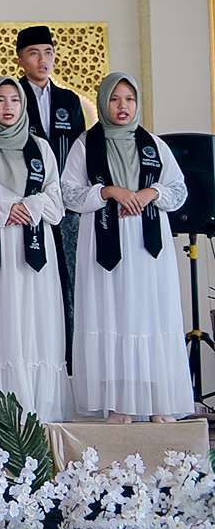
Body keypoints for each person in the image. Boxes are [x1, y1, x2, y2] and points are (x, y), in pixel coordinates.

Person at [63, 73, 193, 422]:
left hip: (147, 248)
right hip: (105, 244)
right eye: (115, 99)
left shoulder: (154, 144)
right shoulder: (86, 144)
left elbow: (178, 189)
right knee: (113, 315)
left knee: (150, 315)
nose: (123, 106)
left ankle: (157, 403)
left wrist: (151, 192)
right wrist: (109, 191)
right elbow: (69, 193)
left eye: (129, 99)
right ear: (103, 102)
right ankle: (119, 403)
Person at [0, 78, 66, 422]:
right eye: (0, 100)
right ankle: (0, 411)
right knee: (0, 321)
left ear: (23, 105)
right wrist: (2, 208)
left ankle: (40, 408)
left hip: (35, 249)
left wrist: (29, 206)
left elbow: (57, 203)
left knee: (36, 322)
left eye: (14, 100)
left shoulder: (41, 149)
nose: (8, 107)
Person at [14, 26, 88, 373]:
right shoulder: (12, 96)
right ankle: (38, 360)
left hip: (66, 206)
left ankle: (72, 361)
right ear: (20, 59)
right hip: (29, 207)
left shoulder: (68, 101)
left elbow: (79, 151)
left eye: (48, 52)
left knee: (70, 280)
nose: (42, 60)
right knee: (35, 282)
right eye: (34, 53)